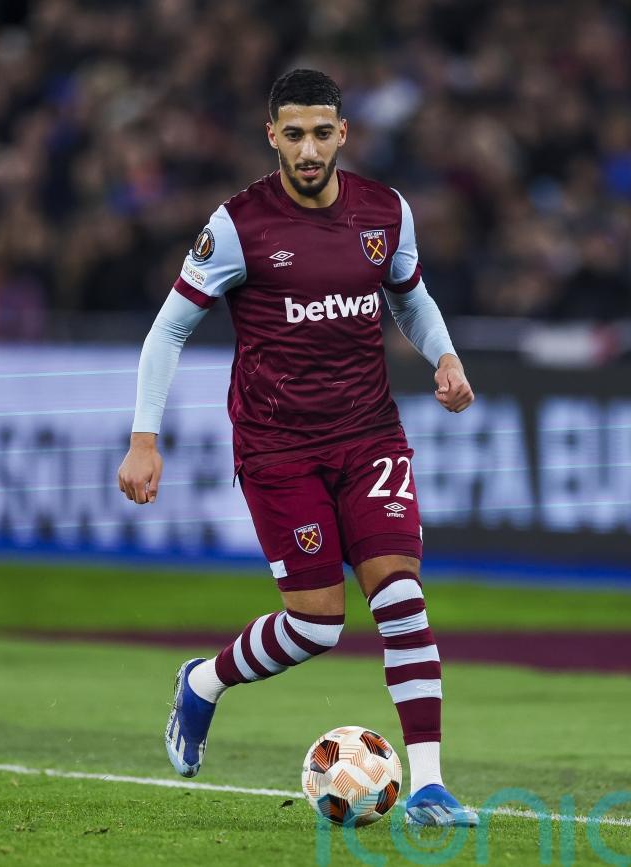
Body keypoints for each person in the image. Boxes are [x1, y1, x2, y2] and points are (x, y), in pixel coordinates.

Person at [118, 69, 477, 828]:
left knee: (400, 595)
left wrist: (444, 355)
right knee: (316, 624)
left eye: (321, 133)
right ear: (271, 136)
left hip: (370, 434)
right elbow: (168, 329)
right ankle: (204, 682)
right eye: (293, 134)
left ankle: (431, 786)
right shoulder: (239, 224)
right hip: (278, 448)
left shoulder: (386, 212)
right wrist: (144, 439)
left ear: (343, 133)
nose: (308, 150)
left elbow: (410, 297)